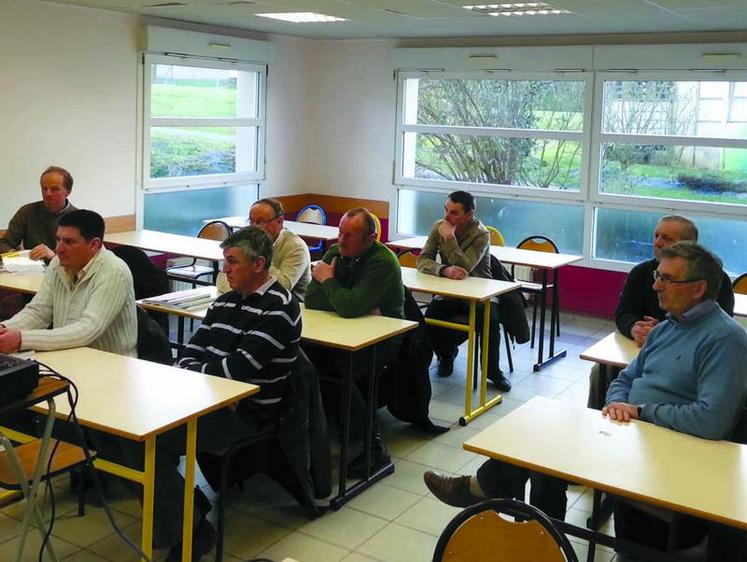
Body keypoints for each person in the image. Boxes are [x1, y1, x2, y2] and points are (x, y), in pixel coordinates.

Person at [91, 226, 302, 561]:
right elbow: (192, 349)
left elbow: (237, 371)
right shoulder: (227, 301)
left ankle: (190, 532)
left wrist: (197, 371)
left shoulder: (280, 309)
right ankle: (188, 511)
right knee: (116, 435)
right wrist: (199, 370)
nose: (225, 269)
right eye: (225, 261)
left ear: (259, 264)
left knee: (146, 443)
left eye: (232, 262)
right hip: (203, 399)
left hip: (243, 412)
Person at [603, 241, 747, 561]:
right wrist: (615, 405)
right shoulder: (666, 327)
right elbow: (626, 378)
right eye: (658, 275)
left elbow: (711, 420)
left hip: (672, 459)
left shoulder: (726, 340)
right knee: (533, 454)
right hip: (633, 438)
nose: (656, 285)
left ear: (698, 289)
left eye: (667, 279)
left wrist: (641, 412)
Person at [587, 214, 735, 408]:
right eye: (656, 236)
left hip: (685, 361)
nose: (658, 242)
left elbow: (715, 325)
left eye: (667, 238)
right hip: (640, 349)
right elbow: (624, 312)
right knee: (601, 373)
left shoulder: (715, 280)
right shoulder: (641, 273)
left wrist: (666, 331)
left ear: (688, 244)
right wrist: (635, 328)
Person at [304, 207, 404, 477]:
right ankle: (313, 435)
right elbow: (312, 300)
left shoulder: (383, 261)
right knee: (304, 360)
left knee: (341, 371)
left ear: (370, 239)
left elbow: (349, 306)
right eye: (340, 233)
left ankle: (371, 447)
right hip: (339, 331)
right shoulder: (336, 252)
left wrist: (328, 281)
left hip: (385, 337)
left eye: (350, 235)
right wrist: (346, 298)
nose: (341, 241)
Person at [0, 209, 137, 356]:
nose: (58, 249)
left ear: (94, 244)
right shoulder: (57, 264)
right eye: (58, 239)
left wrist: (21, 339)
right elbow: (39, 312)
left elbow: (87, 329)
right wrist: (4, 328)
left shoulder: (114, 271)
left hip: (110, 365)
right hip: (68, 355)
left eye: (69, 242)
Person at [417, 190, 511, 391]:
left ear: (469, 215)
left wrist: (449, 240)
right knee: (431, 317)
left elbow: (465, 267)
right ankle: (446, 354)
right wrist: (443, 269)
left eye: (454, 213)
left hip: (480, 292)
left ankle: (493, 371)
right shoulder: (438, 227)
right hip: (450, 290)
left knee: (491, 321)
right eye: (446, 210)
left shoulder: (481, 234)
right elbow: (423, 259)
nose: (447, 217)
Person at [216, 198, 311, 301]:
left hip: (289, 306)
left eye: (259, 222)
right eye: (251, 222)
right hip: (251, 301)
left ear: (279, 222)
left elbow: (284, 287)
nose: (253, 227)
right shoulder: (246, 242)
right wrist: (244, 291)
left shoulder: (296, 247)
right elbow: (222, 279)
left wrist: (262, 254)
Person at [0, 166, 77, 261]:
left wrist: (54, 257)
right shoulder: (27, 211)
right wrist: (19, 257)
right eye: (44, 189)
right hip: (30, 269)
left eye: (54, 189)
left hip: (62, 271)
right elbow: (4, 243)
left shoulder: (78, 218)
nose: (48, 193)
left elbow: (80, 259)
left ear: (68, 191)